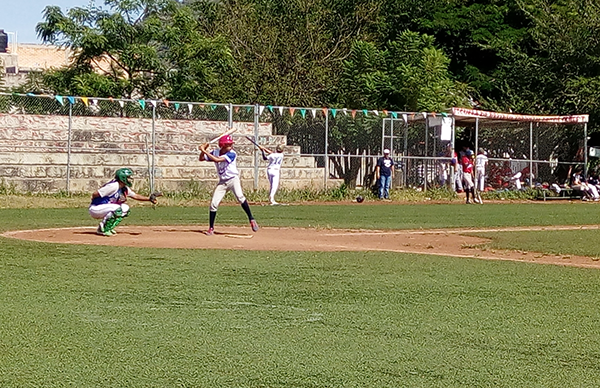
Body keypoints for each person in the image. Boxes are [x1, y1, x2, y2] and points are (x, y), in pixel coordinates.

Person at [199, 134, 259, 235]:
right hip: (222, 182)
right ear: (222, 145)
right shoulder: (216, 152)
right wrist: (202, 150)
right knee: (213, 204)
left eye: (231, 144)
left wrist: (205, 151)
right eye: (228, 145)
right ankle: (211, 228)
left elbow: (217, 160)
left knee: (240, 197)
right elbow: (201, 158)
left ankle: (251, 219)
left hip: (233, 179)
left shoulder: (232, 153)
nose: (231, 146)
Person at [89, 168, 158, 236]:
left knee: (125, 208)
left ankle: (109, 227)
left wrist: (149, 199)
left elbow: (135, 196)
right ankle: (102, 228)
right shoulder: (113, 186)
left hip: (107, 207)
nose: (130, 179)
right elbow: (95, 194)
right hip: (96, 208)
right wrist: (97, 201)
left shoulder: (124, 188)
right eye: (128, 177)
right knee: (117, 208)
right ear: (123, 177)